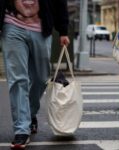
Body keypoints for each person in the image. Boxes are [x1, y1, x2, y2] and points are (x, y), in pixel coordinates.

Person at [0, 0, 70, 149]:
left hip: (41, 28)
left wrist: (63, 30)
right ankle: (21, 130)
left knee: (41, 78)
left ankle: (29, 114)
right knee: (18, 80)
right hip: (12, 26)